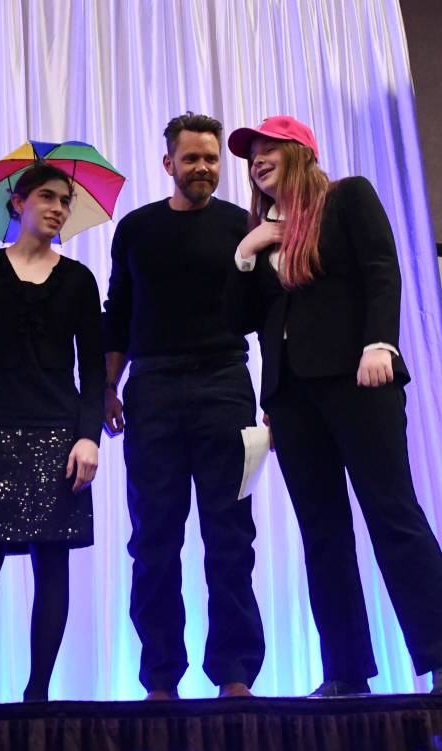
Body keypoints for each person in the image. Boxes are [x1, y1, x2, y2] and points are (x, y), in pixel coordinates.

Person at [226, 115, 442, 697]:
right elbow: (247, 318)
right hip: (292, 397)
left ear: (300, 152)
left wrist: (380, 342)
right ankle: (346, 672)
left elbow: (380, 270)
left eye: (269, 148)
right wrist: (247, 254)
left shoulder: (348, 197)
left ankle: (440, 653)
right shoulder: (263, 230)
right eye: (252, 155)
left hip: (358, 377)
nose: (258, 159)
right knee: (322, 532)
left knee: (392, 514)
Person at [102, 113, 265, 700]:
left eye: (212, 159)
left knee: (230, 536)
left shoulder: (244, 224)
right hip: (154, 392)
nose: (203, 168)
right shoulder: (137, 229)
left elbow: (265, 313)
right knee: (153, 538)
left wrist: (271, 399)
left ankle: (236, 674)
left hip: (226, 384)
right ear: (168, 163)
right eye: (191, 158)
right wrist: (107, 386)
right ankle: (161, 680)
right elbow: (117, 311)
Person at [0, 162, 104, 703]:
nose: (59, 207)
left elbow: (93, 367)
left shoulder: (80, 279)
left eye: (66, 200)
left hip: (58, 432)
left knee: (51, 557)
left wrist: (89, 437)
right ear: (18, 202)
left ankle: (37, 693)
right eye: (48, 197)